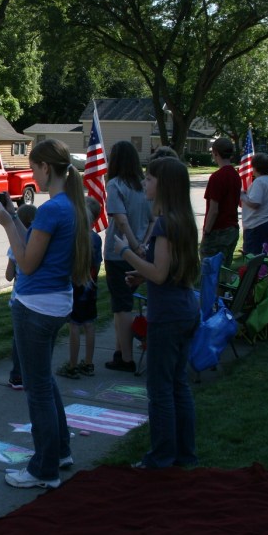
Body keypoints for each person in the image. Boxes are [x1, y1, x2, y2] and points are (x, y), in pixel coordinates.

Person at [0, 138, 91, 489]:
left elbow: (27, 263)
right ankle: (60, 451)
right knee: (44, 381)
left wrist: (6, 223)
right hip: (55, 303)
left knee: (36, 390)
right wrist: (15, 219)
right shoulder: (69, 205)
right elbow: (33, 246)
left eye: (34, 167)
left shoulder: (52, 209)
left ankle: (43, 468)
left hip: (35, 306)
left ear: (46, 168)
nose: (31, 173)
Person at [114, 157, 200, 469]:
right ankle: (184, 455)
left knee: (160, 390)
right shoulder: (183, 218)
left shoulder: (165, 223)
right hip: (186, 308)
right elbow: (170, 269)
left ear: (163, 185)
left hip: (168, 316)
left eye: (149, 179)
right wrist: (143, 275)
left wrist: (125, 252)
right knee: (178, 384)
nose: (145, 184)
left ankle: (161, 456)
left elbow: (161, 274)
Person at [103, 140, 152, 373]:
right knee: (123, 303)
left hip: (119, 253)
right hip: (141, 250)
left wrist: (132, 245)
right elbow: (153, 219)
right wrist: (143, 245)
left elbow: (120, 220)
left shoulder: (115, 185)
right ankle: (118, 350)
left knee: (122, 306)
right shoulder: (143, 186)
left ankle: (126, 357)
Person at [58, 198, 103, 379]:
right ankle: (89, 362)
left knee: (74, 325)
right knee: (89, 324)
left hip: (74, 286)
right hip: (90, 286)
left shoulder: (73, 238)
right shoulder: (96, 239)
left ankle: (73, 364)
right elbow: (98, 264)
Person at [5, 203, 39, 389]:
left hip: (18, 298)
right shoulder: (39, 244)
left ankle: (17, 375)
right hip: (35, 296)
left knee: (19, 339)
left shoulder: (15, 246)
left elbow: (9, 276)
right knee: (34, 338)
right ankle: (33, 374)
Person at [200, 137, 241, 265]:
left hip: (218, 231)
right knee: (224, 269)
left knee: (209, 270)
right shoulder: (235, 175)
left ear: (216, 152)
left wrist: (206, 231)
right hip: (232, 229)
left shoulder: (217, 177)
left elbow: (213, 210)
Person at [240, 152, 268, 256]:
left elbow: (255, 203)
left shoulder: (259, 182)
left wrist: (241, 195)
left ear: (255, 167)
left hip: (259, 225)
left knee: (254, 258)